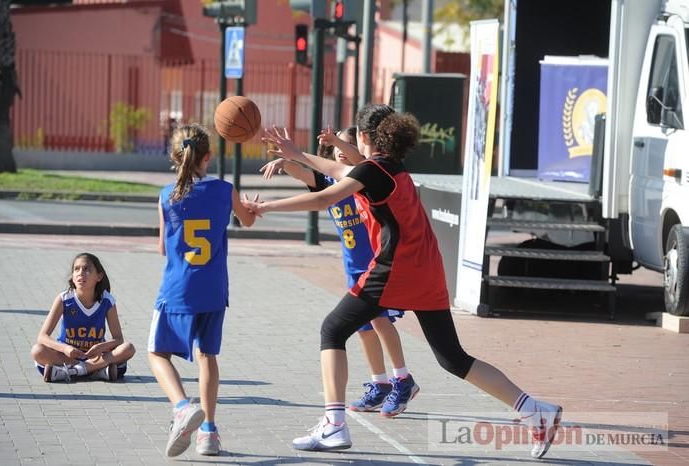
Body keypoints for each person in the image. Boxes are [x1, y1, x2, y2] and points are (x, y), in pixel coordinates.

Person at [246, 105, 563, 459]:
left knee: (332, 330)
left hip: (397, 268)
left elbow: (325, 197)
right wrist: (297, 154)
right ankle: (535, 410)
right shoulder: (390, 167)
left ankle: (334, 425)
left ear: (364, 138)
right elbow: (337, 168)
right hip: (427, 268)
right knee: (453, 359)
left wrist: (265, 208)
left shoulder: (373, 169)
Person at [260, 127, 419, 417]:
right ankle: (380, 383)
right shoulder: (330, 182)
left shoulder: (364, 178)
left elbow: (360, 163)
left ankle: (403, 378)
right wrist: (286, 162)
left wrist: (334, 143)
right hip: (353, 266)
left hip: (376, 263)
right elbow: (306, 176)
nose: (341, 153)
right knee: (364, 329)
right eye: (336, 150)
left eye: (347, 147)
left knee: (382, 323)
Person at [148, 123, 256, 458]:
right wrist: (249, 207)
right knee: (207, 356)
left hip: (178, 288)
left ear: (174, 156)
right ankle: (208, 431)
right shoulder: (225, 190)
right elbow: (248, 221)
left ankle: (181, 408)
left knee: (157, 353)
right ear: (208, 156)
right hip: (213, 289)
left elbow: (164, 249)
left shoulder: (167, 195)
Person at [31, 253, 135, 383]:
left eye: (87, 269)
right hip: (68, 356)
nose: (81, 273)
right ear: (72, 277)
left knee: (128, 348)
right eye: (77, 269)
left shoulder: (107, 301)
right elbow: (42, 336)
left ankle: (71, 372)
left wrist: (101, 347)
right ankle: (96, 372)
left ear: (99, 276)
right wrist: (65, 348)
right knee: (37, 351)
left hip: (95, 356)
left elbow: (119, 339)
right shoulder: (64, 299)